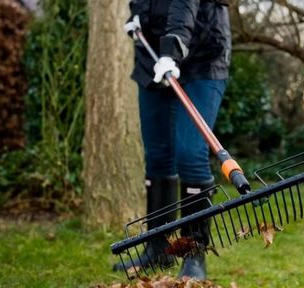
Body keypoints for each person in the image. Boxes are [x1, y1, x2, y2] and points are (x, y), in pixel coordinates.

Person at [113, 0, 231, 280]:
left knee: (191, 155)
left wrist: (172, 49)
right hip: (153, 56)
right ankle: (158, 247)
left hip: (202, 55)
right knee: (157, 156)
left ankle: (193, 256)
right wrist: (137, 16)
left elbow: (182, 6)